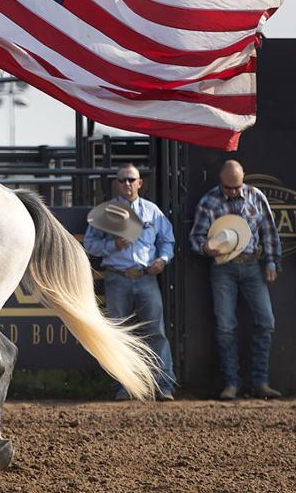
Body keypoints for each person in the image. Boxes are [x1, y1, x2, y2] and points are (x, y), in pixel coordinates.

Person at [189, 160, 282, 400]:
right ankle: (232, 382)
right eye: (229, 188)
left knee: (266, 321)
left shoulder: (255, 196)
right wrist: (206, 249)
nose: (233, 192)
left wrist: (272, 261)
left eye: (237, 187)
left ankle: (259, 381)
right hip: (223, 266)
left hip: (252, 263)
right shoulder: (209, 201)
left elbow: (269, 230)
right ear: (221, 181)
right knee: (225, 326)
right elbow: (195, 238)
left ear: (243, 180)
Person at [82, 163, 176, 400]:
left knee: (156, 332)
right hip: (117, 277)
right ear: (117, 183)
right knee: (119, 333)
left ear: (139, 183)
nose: (127, 184)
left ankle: (163, 385)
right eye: (123, 180)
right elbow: (90, 244)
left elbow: (167, 241)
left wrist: (162, 260)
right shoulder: (106, 212)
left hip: (145, 277)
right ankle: (122, 386)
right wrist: (113, 245)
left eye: (131, 180)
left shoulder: (153, 211)